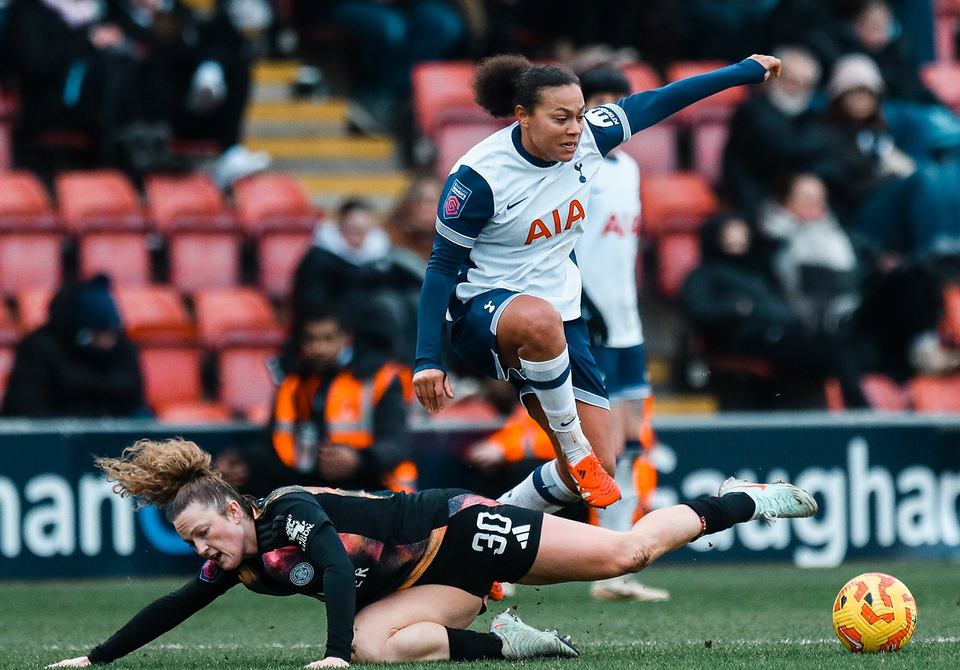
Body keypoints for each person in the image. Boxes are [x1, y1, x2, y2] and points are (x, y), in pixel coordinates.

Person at [46, 437, 818, 668]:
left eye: (204, 531)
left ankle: (742, 499)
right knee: (385, 648)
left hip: (457, 528)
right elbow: (175, 605)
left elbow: (341, 575)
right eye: (192, 543)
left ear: (228, 504)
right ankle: (507, 645)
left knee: (626, 554)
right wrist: (95, 660)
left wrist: (333, 656)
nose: (203, 549)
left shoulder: (287, 509)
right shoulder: (236, 561)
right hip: (427, 582)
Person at [413, 53, 781, 512]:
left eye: (581, 115)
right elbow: (441, 268)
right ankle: (573, 449)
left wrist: (745, 69)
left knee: (601, 465)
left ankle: (490, 526)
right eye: (561, 118)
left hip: (561, 317)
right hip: (482, 315)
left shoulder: (590, 136)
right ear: (523, 116)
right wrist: (427, 358)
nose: (575, 128)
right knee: (542, 325)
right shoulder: (478, 178)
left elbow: (666, 99)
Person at [571, 64, 668, 603]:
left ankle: (616, 570)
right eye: (597, 100)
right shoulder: (573, 168)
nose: (608, 111)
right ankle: (498, 557)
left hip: (626, 326)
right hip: (587, 324)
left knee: (631, 446)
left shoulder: (627, 168)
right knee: (589, 450)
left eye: (618, 100)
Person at [680, 214, 867, 409]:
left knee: (839, 350)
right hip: (745, 340)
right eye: (730, 237)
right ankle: (862, 413)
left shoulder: (757, 273)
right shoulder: (703, 275)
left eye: (741, 236)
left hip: (782, 335)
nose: (737, 242)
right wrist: (735, 309)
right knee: (832, 355)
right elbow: (698, 310)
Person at [1, 274, 147, 418]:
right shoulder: (38, 347)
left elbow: (136, 404)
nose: (106, 342)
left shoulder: (124, 350)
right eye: (97, 334)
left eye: (110, 334)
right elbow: (25, 409)